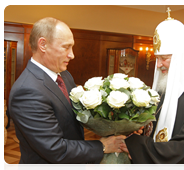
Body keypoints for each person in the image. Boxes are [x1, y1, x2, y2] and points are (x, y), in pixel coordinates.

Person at [8, 17, 126, 170]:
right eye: (66, 47)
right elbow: (55, 149)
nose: (72, 55)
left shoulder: (64, 75)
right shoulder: (27, 91)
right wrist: (101, 146)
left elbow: (74, 116)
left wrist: (119, 125)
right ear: (43, 44)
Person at [121, 14, 184, 170]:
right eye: (157, 58)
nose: (158, 65)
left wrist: (138, 147)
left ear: (181, 58)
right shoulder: (163, 89)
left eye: (164, 58)